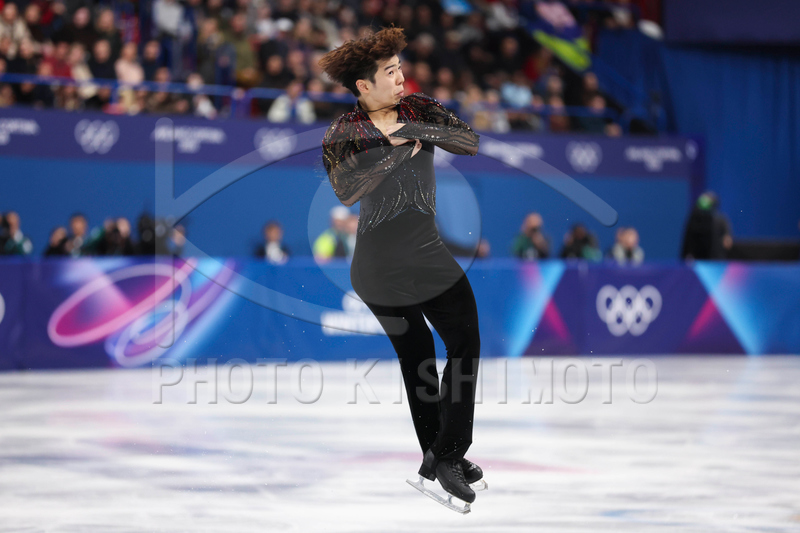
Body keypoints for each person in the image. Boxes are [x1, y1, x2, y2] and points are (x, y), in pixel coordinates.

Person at [319, 26, 483, 510]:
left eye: (399, 69)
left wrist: (414, 132)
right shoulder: (343, 132)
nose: (399, 78)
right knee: (418, 356)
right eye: (389, 72)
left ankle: (447, 454)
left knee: (466, 339)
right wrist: (392, 153)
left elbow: (468, 141)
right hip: (378, 265)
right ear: (363, 85)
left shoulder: (418, 109)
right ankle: (440, 455)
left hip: (427, 252)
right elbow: (346, 190)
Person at [681, 191, 733, 260]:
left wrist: (727, 239)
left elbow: (727, 241)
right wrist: (688, 255)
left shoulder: (720, 221)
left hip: (715, 259)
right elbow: (688, 240)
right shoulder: (693, 220)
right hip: (697, 259)